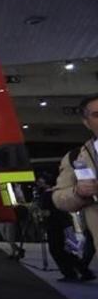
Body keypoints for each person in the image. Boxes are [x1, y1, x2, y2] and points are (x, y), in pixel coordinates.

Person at [53, 94, 98, 279]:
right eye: (96, 115)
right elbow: (59, 198)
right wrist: (78, 193)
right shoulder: (76, 157)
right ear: (86, 122)